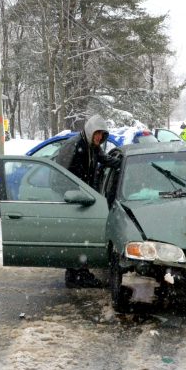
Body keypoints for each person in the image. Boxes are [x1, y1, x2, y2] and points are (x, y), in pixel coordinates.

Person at [54, 114, 120, 288]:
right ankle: (75, 275)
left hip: (84, 199)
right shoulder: (74, 145)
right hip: (73, 199)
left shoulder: (93, 146)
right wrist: (71, 194)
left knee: (81, 236)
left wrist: (121, 162)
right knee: (75, 236)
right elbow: (58, 176)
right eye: (97, 133)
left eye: (102, 135)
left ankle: (79, 273)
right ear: (90, 131)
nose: (99, 137)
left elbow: (105, 159)